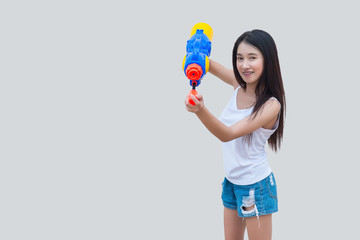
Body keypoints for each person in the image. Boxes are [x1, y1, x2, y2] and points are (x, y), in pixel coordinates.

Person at [185, 29, 286, 240]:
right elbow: (208, 64)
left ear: (268, 60)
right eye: (239, 58)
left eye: (252, 58)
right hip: (231, 182)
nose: (244, 65)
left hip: (256, 187)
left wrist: (200, 111)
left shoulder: (271, 105)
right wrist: (195, 55)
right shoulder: (239, 84)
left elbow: (228, 134)